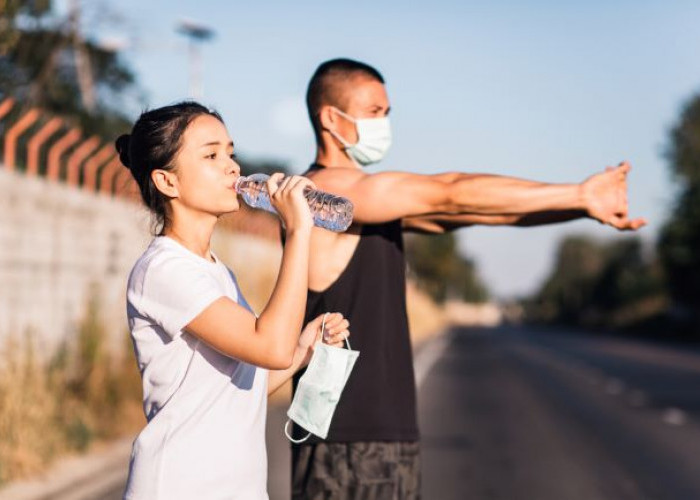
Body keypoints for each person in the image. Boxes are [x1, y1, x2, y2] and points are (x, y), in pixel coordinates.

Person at [289, 58, 647, 499]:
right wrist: (576, 192)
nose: (385, 124)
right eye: (375, 112)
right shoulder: (329, 195)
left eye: (388, 113)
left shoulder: (367, 204)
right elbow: (451, 190)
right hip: (346, 434)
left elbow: (474, 211)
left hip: (380, 433)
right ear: (331, 118)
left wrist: (580, 207)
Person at [116, 101, 350, 500]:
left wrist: (302, 351)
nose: (232, 168)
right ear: (167, 182)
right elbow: (268, 347)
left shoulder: (215, 270)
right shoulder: (164, 270)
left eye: (231, 153)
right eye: (211, 155)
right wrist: (297, 233)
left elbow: (244, 386)